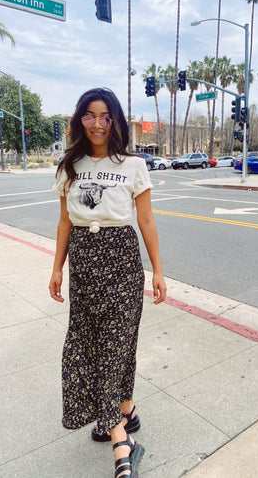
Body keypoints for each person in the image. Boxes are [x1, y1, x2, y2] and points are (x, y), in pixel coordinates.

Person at [49, 87, 167, 477]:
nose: (97, 124)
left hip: (121, 257)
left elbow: (146, 220)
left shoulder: (133, 165)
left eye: (105, 116)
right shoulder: (71, 165)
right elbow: (66, 220)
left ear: (115, 120)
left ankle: (120, 438)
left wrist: (158, 271)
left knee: (117, 342)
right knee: (86, 346)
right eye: (89, 115)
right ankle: (126, 410)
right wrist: (56, 268)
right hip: (83, 260)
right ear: (79, 120)